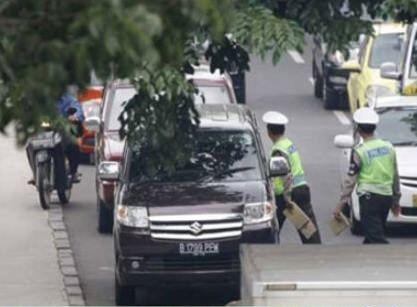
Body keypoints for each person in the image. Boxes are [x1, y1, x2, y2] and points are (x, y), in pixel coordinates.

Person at [333, 107, 401, 244]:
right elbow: (395, 176)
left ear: (358, 129)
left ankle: (396, 260)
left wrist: (340, 205)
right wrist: (395, 200)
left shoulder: (359, 151)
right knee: (372, 235)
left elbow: (350, 181)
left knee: (376, 238)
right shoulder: (388, 147)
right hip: (386, 198)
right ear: (375, 127)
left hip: (369, 199)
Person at [263, 111, 322, 244]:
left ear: (269, 132)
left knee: (272, 228)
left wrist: (287, 198)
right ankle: (317, 253)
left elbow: (285, 174)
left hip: (287, 194)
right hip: (301, 189)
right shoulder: (288, 144)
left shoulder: (278, 150)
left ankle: (265, 251)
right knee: (308, 230)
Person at [57, 86, 84, 181]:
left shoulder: (68, 99)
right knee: (31, 144)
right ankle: (35, 172)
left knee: (73, 143)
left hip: (62, 131)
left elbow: (77, 109)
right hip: (45, 131)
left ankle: (73, 172)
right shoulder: (43, 99)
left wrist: (75, 116)